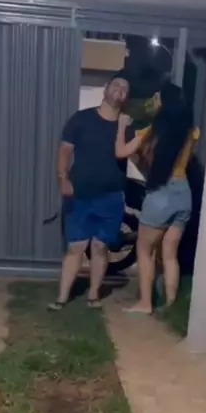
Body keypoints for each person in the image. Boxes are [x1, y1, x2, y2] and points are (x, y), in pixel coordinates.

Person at [48, 72, 132, 311]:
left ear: (126, 98)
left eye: (124, 89)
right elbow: (65, 150)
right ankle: (62, 297)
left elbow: (136, 155)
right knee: (75, 247)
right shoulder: (81, 119)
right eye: (116, 85)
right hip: (80, 194)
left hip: (111, 196)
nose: (119, 90)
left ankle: (93, 295)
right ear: (105, 88)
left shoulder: (126, 127)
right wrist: (62, 178)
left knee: (100, 247)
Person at [115, 81, 199, 314]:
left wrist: (121, 127)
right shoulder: (192, 132)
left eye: (158, 98)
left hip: (161, 193)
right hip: (183, 193)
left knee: (144, 251)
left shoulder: (151, 132)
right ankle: (171, 304)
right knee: (170, 254)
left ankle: (145, 303)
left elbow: (121, 152)